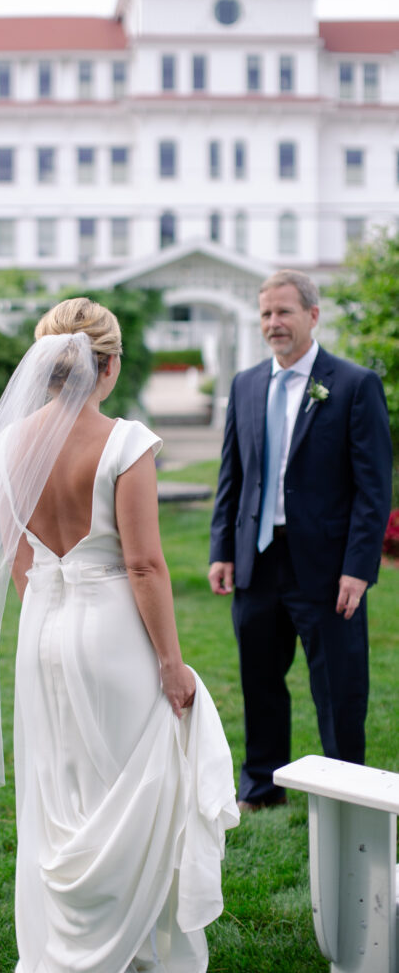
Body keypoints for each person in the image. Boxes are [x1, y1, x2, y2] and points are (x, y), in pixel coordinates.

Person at [0, 298, 239, 973]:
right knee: (128, 785)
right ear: (108, 365)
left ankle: (63, 946)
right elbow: (144, 565)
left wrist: (51, 613)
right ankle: (134, 947)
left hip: (43, 629)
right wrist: (173, 665)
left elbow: (19, 558)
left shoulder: (9, 444)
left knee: (58, 786)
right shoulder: (125, 443)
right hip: (113, 634)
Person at [208, 270, 392, 813]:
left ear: (313, 315)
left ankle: (346, 796)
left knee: (338, 688)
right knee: (259, 680)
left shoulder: (354, 384)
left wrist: (358, 567)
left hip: (328, 566)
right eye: (265, 313)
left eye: (284, 312)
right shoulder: (245, 384)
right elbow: (231, 477)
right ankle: (262, 787)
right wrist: (223, 548)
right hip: (257, 560)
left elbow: (373, 488)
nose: (273, 324)